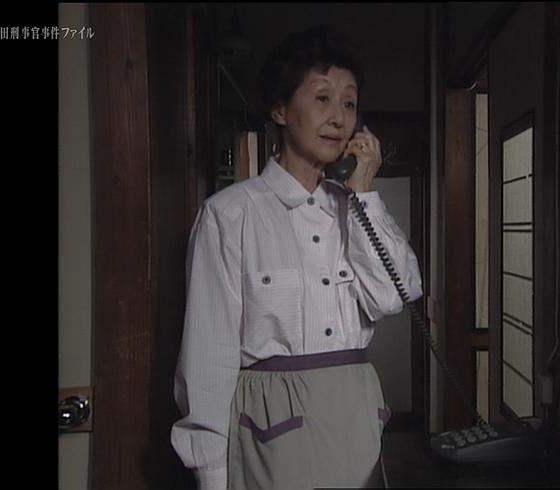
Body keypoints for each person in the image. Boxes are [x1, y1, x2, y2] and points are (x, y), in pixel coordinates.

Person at [170, 25, 424, 490]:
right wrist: (211, 475)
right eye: (322, 98)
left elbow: (395, 296)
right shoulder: (230, 215)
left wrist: (364, 192)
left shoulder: (356, 208)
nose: (339, 118)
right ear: (280, 109)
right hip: (271, 426)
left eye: (349, 103)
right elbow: (208, 356)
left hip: (354, 419)